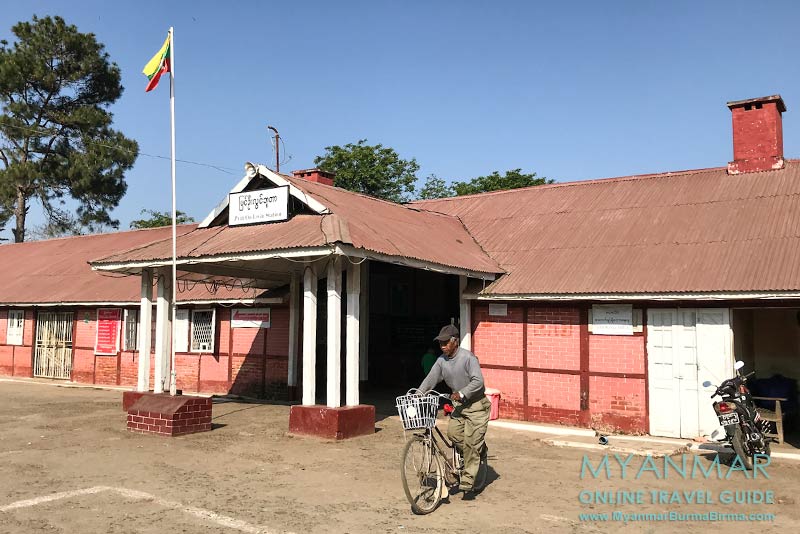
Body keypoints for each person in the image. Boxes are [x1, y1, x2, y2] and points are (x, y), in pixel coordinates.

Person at [418, 324, 490, 495]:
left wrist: (462, 393)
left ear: (455, 341)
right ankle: (475, 452)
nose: (442, 346)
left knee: (471, 442)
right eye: (440, 343)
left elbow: (478, 381)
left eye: (446, 342)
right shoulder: (441, 361)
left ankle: (468, 478)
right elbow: (431, 378)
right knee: (453, 434)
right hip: (459, 407)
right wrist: (418, 393)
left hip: (477, 406)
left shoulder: (468, 358)